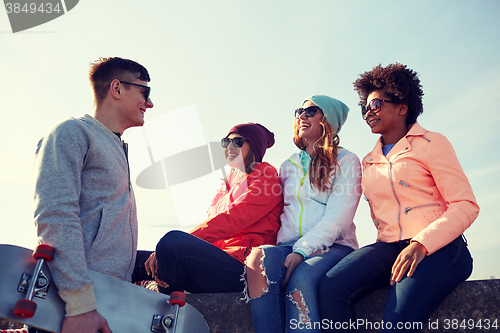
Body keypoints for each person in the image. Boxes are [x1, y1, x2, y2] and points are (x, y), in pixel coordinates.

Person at [317, 63, 480, 332]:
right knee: (329, 287)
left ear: (402, 107)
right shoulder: (369, 160)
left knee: (396, 324)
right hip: (389, 247)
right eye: (365, 108)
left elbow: (465, 205)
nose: (369, 112)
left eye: (376, 104)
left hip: (440, 248)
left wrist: (421, 244)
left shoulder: (431, 143)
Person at [33, 57, 153, 333]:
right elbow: (55, 214)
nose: (150, 103)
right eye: (145, 92)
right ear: (117, 88)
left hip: (106, 304)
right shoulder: (70, 133)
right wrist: (80, 304)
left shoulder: (115, 146)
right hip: (70, 311)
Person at [245, 95, 362, 333]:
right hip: (288, 246)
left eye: (310, 111)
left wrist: (302, 251)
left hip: (334, 246)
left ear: (327, 119)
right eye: (299, 111)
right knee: (257, 261)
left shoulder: (347, 161)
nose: (301, 116)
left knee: (302, 279)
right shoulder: (288, 165)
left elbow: (338, 219)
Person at [134, 123, 284, 294]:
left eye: (237, 142)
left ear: (254, 146)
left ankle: (162, 290)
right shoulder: (226, 185)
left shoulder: (267, 176)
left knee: (170, 244)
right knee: (130, 259)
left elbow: (233, 219)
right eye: (226, 142)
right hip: (214, 259)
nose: (229, 147)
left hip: (241, 266)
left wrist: (183, 241)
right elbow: (210, 225)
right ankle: (161, 286)